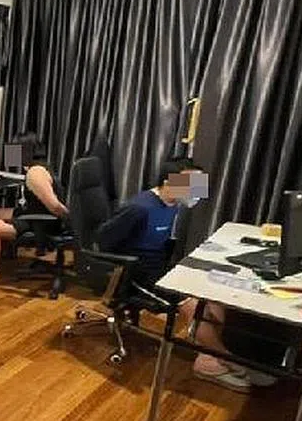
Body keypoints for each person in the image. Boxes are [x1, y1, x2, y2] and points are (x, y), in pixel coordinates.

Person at [96, 157, 271, 392]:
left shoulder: (172, 204)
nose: (195, 193)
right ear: (169, 182)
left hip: (160, 266)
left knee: (214, 295)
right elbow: (102, 240)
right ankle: (228, 361)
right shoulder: (139, 208)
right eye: (190, 185)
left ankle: (211, 355)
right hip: (136, 274)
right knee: (193, 305)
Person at [0, 133, 68, 287]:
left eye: (14, 149)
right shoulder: (38, 166)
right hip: (36, 213)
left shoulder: (35, 173)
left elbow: (54, 206)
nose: (11, 153)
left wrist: (69, 219)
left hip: (42, 222)